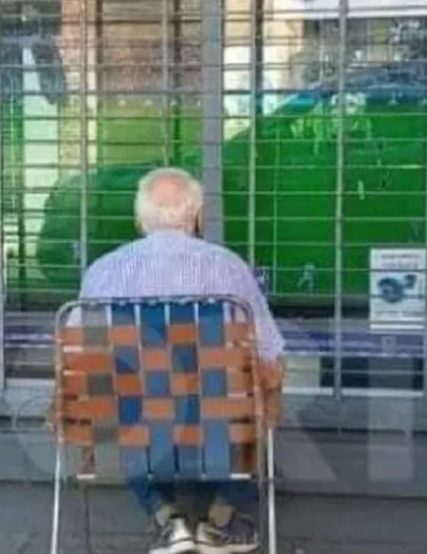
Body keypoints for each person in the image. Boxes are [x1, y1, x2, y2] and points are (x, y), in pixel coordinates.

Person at [75, 167, 285, 554]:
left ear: (140, 219)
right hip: (219, 428)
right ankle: (220, 519)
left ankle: (166, 518)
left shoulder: (102, 273)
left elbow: (81, 360)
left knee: (115, 397)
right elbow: (271, 356)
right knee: (253, 400)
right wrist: (269, 405)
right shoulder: (229, 269)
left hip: (134, 431)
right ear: (198, 217)